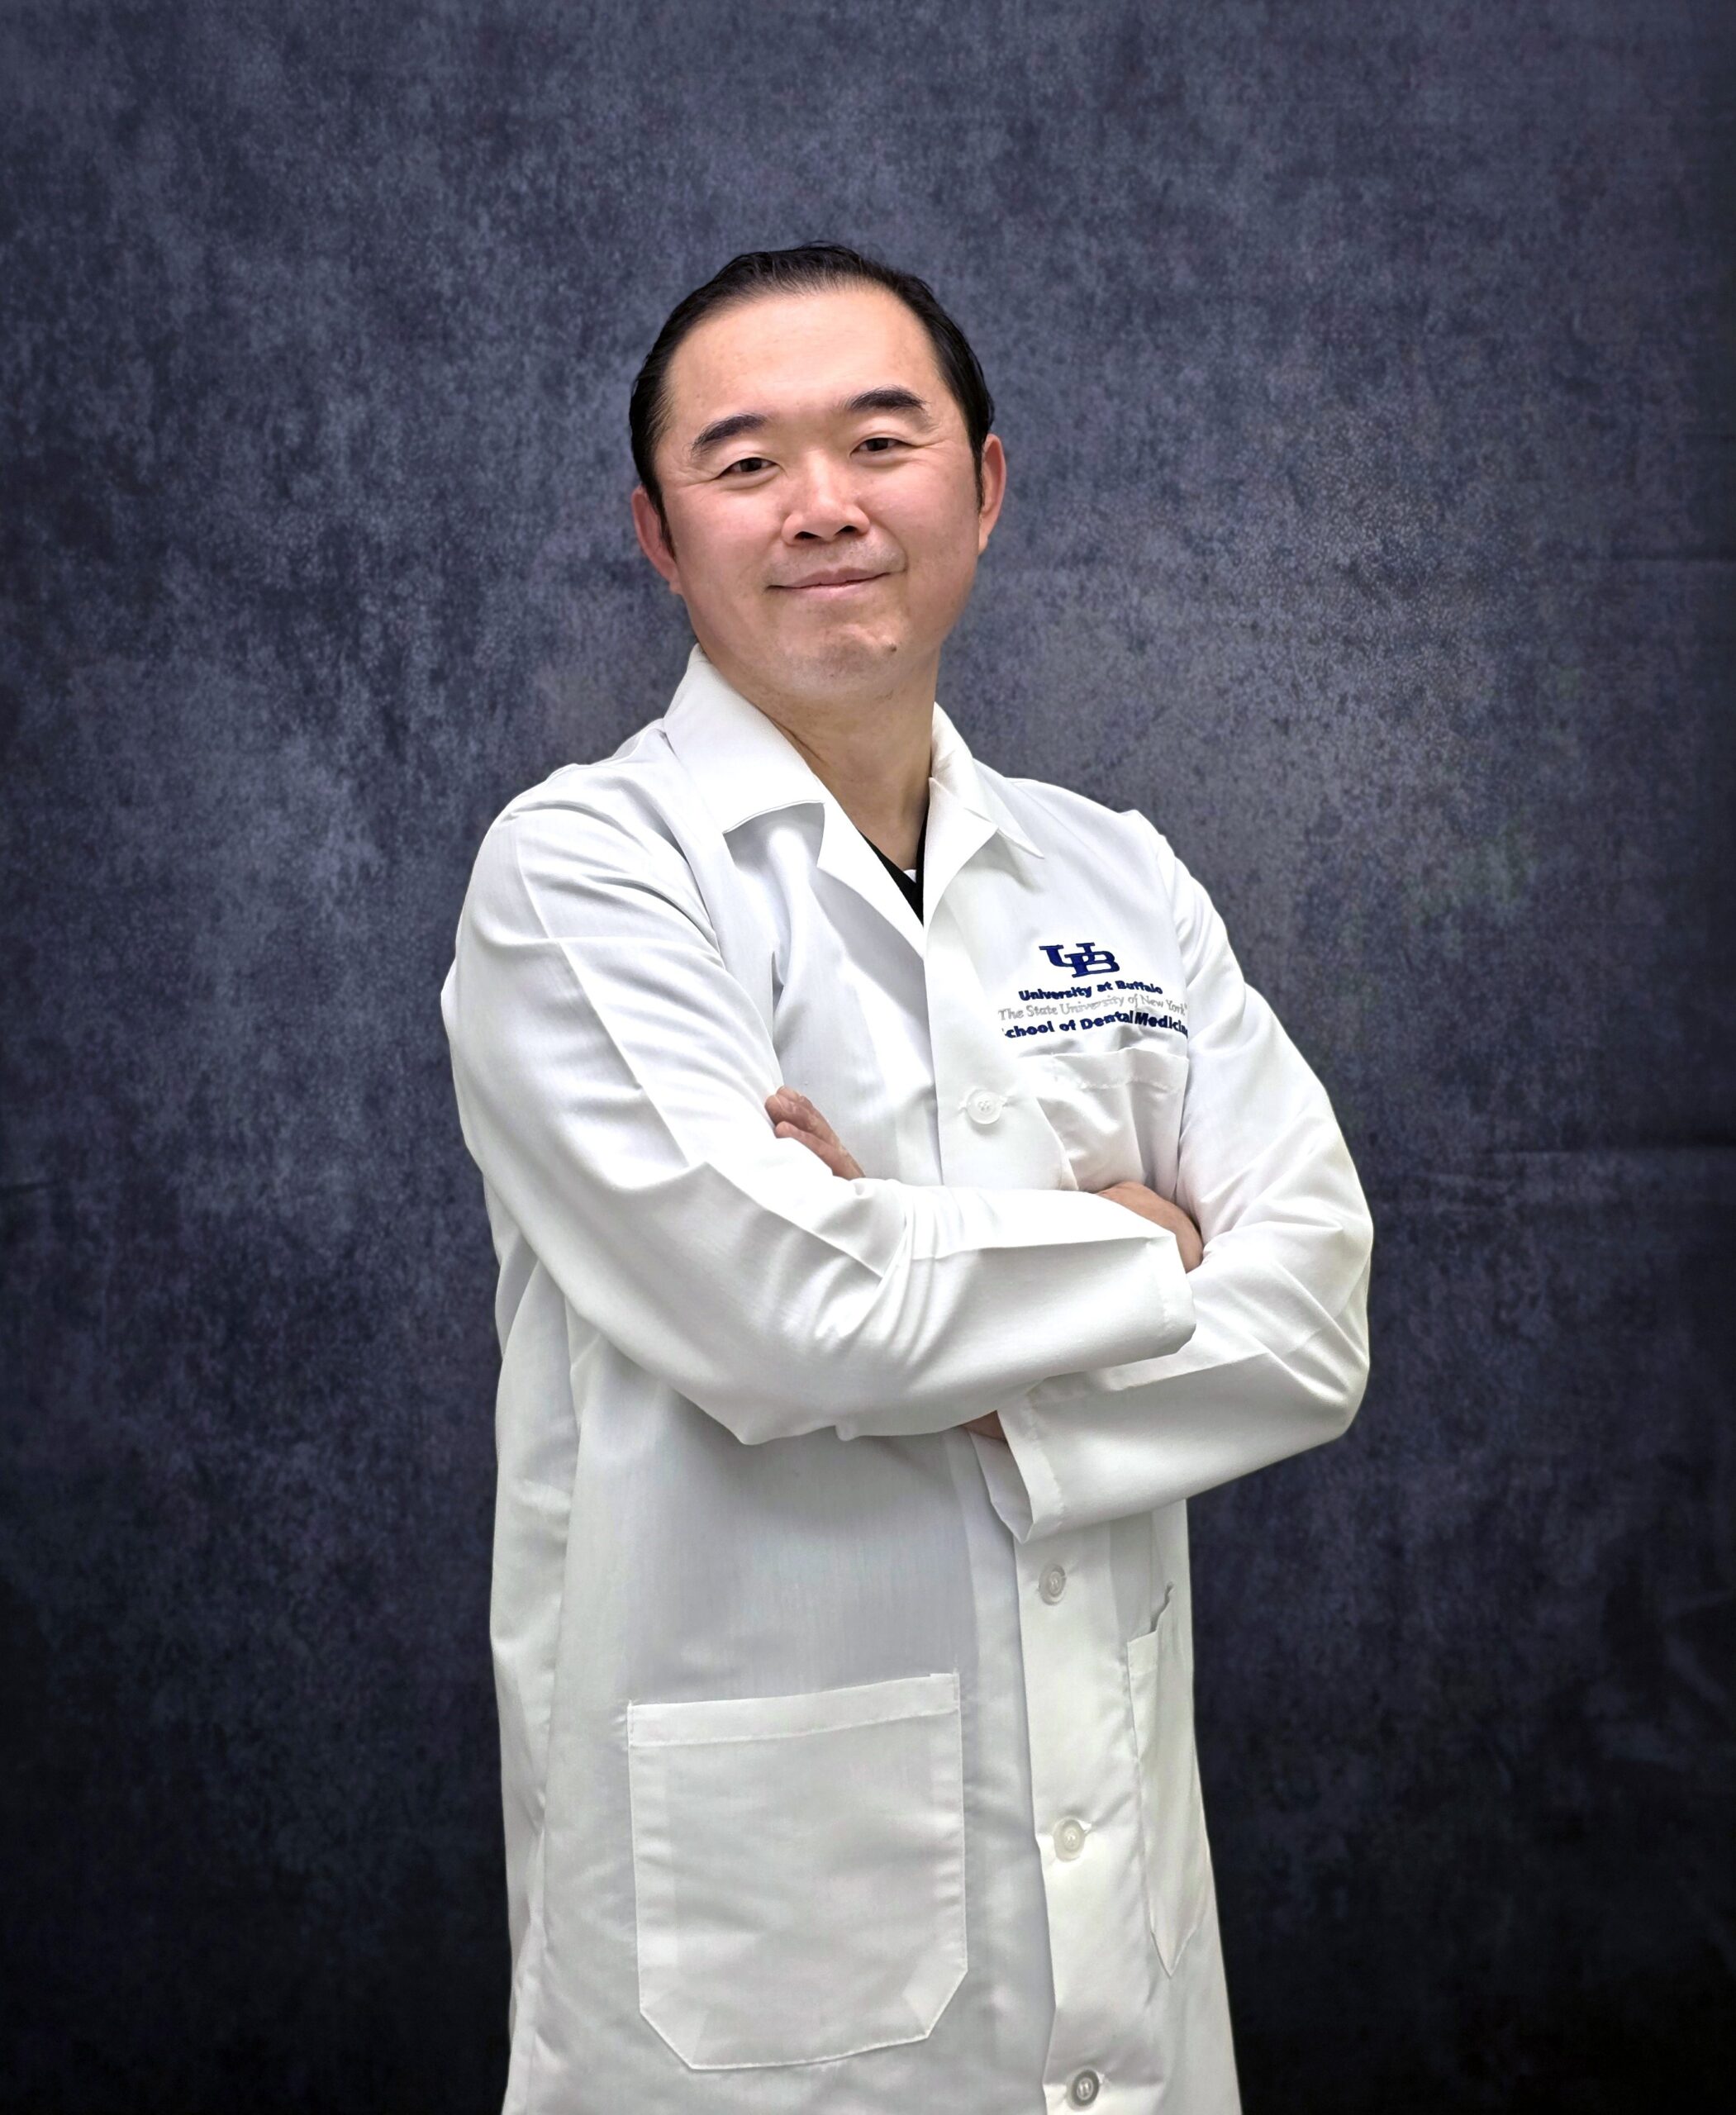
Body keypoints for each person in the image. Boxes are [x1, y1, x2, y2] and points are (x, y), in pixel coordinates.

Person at [440, 241, 1373, 2115]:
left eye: (881, 439)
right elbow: (787, 1312)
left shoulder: (1113, 873)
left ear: (985, 484)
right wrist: (1138, 1236)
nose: (823, 508)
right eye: (745, 461)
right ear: (656, 530)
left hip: (1123, 1938)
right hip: (753, 1946)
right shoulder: (588, 871)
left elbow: (1316, 1307)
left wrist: (907, 1282)